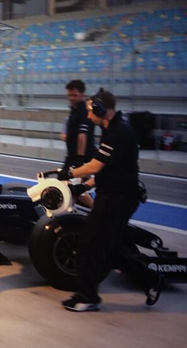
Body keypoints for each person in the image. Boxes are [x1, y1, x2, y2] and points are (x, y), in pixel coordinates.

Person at [58, 89, 163, 312]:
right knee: (112, 249)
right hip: (114, 196)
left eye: (90, 112)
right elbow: (108, 169)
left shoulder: (118, 132)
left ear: (101, 110)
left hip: (118, 200)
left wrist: (69, 174)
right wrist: (85, 185)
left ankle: (88, 296)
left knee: (89, 245)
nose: (88, 116)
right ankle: (150, 280)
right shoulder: (111, 130)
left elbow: (95, 165)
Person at [63, 80, 96, 170]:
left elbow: (82, 135)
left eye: (74, 95)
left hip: (83, 156)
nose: (71, 98)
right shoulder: (74, 109)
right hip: (72, 155)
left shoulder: (84, 110)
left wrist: (80, 159)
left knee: (64, 180)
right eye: (69, 95)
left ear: (82, 94)